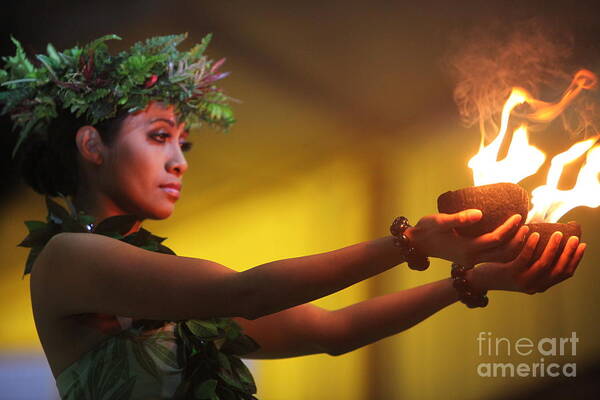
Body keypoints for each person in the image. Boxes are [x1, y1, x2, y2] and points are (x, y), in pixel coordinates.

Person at [1, 34, 586, 400]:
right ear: (91, 146)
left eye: (184, 144)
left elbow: (335, 332)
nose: (178, 161)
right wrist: (412, 241)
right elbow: (250, 292)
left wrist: (471, 282)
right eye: (159, 137)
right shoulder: (66, 259)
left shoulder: (176, 304)